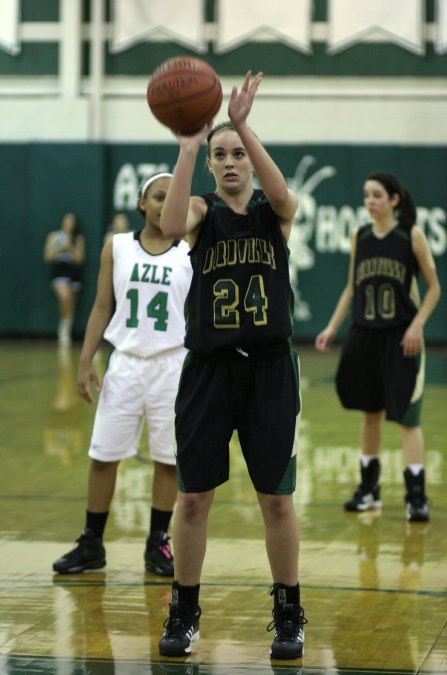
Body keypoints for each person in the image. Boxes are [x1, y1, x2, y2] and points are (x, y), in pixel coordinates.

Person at [157, 71, 306, 661]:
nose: (230, 162)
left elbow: (285, 193)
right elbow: (168, 227)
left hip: (270, 370)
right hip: (209, 370)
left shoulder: (275, 214)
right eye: (220, 155)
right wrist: (189, 143)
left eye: (236, 153)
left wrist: (242, 123)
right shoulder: (199, 212)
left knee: (276, 499)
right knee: (193, 499)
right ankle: (184, 609)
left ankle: (288, 611)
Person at [52, 173, 192, 576]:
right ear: (141, 202)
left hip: (173, 364)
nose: (166, 204)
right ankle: (92, 542)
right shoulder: (116, 247)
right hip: (125, 363)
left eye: (172, 198)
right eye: (159, 197)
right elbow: (100, 306)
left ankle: (157, 543)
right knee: (103, 454)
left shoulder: (190, 250)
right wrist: (84, 360)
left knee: (168, 459)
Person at [315, 171, 441, 523]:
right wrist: (331, 327)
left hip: (402, 338)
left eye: (376, 195)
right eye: (366, 195)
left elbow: (434, 289)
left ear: (394, 200)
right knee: (369, 413)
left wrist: (417, 324)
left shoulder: (410, 236)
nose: (370, 201)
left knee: (407, 419)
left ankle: (416, 495)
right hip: (365, 335)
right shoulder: (361, 235)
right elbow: (351, 289)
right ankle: (369, 489)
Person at [43, 212, 86, 347]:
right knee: (64, 296)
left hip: (73, 271)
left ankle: (66, 331)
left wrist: (71, 249)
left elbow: (80, 259)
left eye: (72, 221)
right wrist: (60, 249)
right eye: (67, 220)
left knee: (71, 304)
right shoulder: (54, 236)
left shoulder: (78, 239)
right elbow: (48, 256)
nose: (69, 223)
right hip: (59, 270)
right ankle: (63, 328)